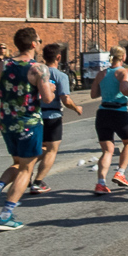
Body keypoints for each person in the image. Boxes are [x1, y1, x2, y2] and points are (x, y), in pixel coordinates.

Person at [0, 28, 54, 230]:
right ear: (34, 44)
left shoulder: (2, 65)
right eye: (39, 40)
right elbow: (47, 99)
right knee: (27, 168)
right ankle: (6, 214)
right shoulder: (38, 69)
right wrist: (50, 88)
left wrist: (7, 96)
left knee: (17, 163)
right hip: (29, 124)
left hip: (7, 123)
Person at [30, 43, 83, 194]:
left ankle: (25, 170)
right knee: (51, 150)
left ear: (44, 57)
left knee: (43, 148)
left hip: (37, 115)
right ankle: (38, 182)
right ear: (59, 57)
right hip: (53, 116)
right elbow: (65, 99)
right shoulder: (61, 76)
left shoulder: (36, 73)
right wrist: (76, 107)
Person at [90, 46, 128, 195]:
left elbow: (93, 94)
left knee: (107, 151)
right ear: (123, 57)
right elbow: (125, 88)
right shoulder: (125, 72)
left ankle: (100, 183)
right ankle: (120, 172)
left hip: (103, 113)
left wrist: (106, 89)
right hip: (119, 112)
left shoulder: (102, 74)